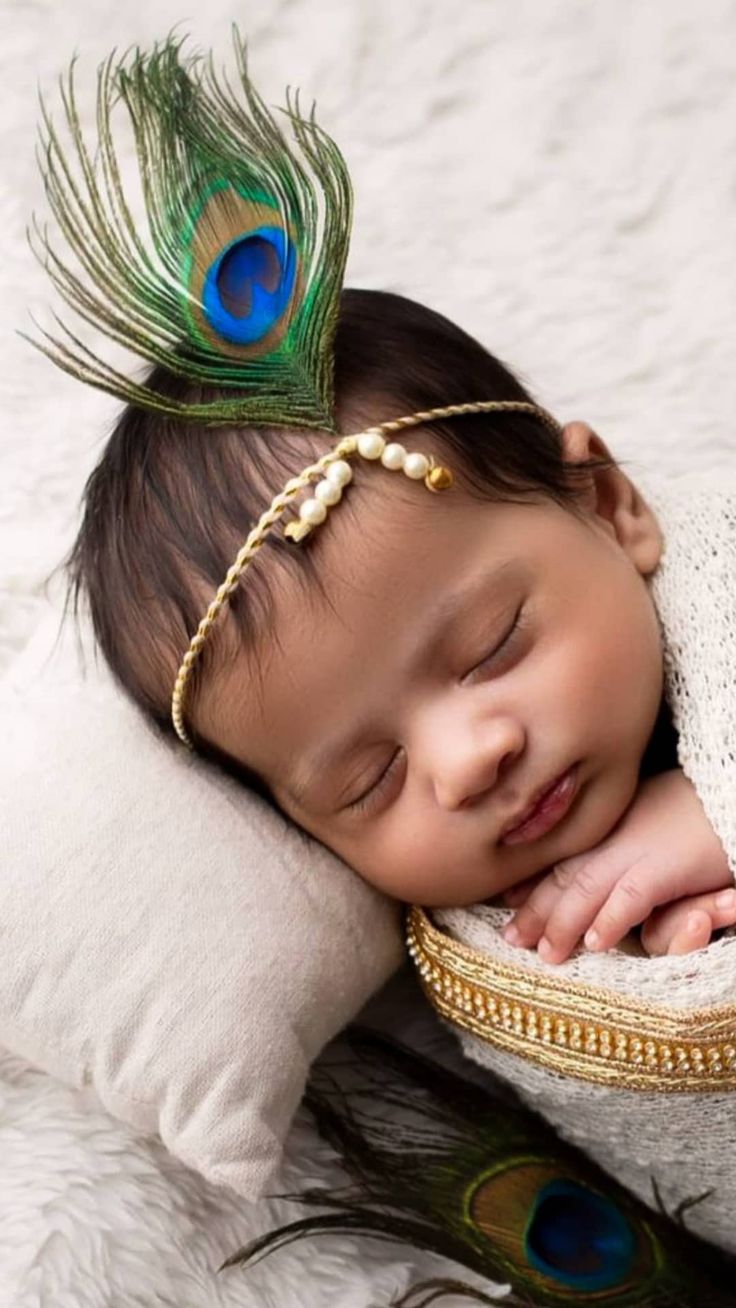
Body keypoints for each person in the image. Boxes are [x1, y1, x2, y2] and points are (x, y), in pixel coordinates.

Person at [33, 35, 736, 970]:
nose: (468, 761)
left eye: (494, 645)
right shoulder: (486, 958)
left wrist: (714, 809)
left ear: (607, 504)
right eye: (371, 782)